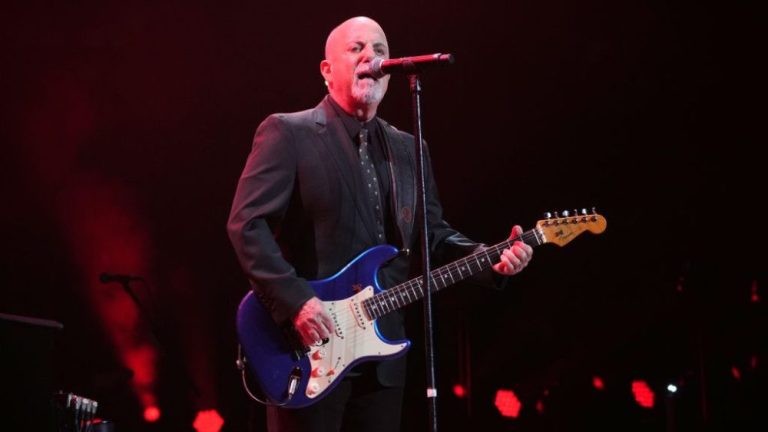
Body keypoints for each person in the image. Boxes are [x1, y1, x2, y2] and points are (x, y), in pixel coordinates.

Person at [227, 16, 533, 432]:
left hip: (383, 355)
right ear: (326, 70)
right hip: (308, 349)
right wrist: (295, 301)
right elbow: (247, 224)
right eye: (357, 49)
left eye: (381, 50)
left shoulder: (410, 148)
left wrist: (487, 258)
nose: (372, 56)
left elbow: (432, 234)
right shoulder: (289, 133)